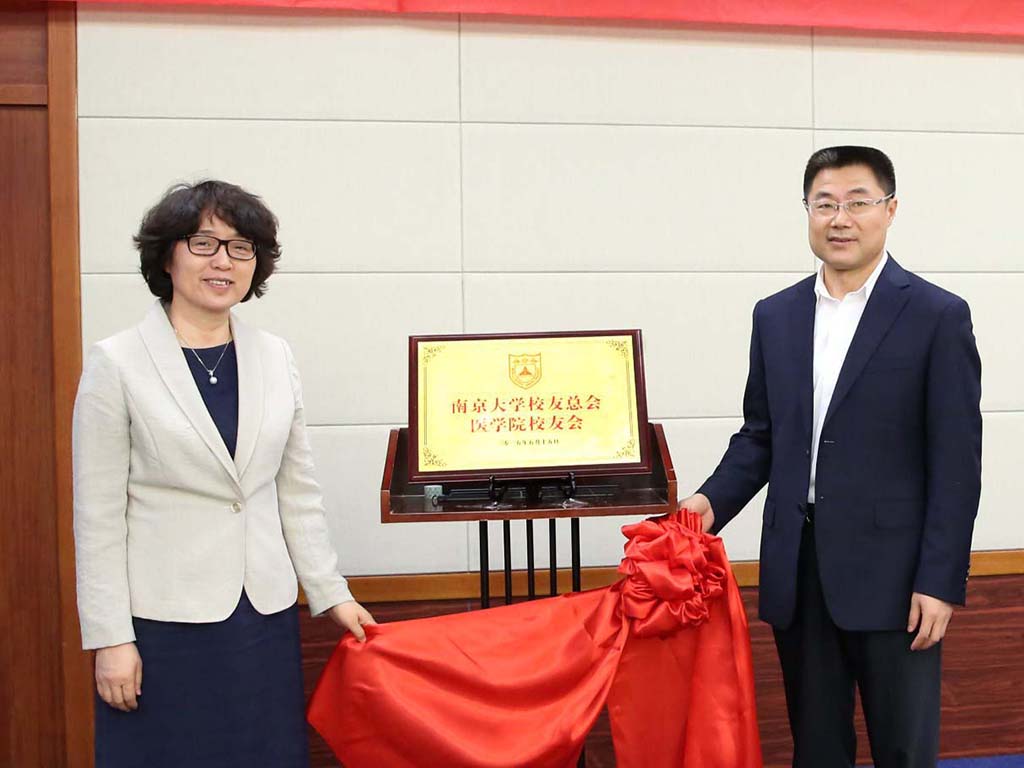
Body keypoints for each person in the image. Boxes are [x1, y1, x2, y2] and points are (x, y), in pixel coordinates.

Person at [680, 146, 981, 767]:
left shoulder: (937, 316)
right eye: (824, 204)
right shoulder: (776, 315)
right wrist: (707, 504)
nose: (840, 219)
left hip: (898, 578)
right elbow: (761, 435)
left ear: (890, 210)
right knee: (816, 750)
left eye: (857, 202)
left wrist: (940, 580)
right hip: (799, 568)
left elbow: (957, 463)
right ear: (808, 212)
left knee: (904, 749)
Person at [73, 180, 375, 768]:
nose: (223, 261)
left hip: (261, 618)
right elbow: (97, 516)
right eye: (204, 243)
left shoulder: (274, 355)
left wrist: (331, 593)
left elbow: (297, 492)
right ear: (167, 256)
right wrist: (111, 638)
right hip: (163, 624)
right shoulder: (117, 362)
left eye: (241, 248)